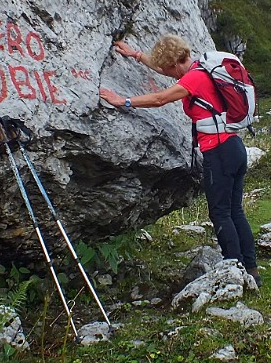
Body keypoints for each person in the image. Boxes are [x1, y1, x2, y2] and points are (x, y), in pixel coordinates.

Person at [99, 36, 258, 284]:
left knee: (220, 213)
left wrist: (123, 101)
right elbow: (164, 69)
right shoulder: (200, 69)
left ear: (175, 62)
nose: (168, 73)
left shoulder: (193, 79)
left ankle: (233, 270)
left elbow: (160, 98)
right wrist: (136, 55)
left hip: (219, 152)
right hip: (234, 147)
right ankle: (250, 269)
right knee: (235, 210)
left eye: (169, 68)